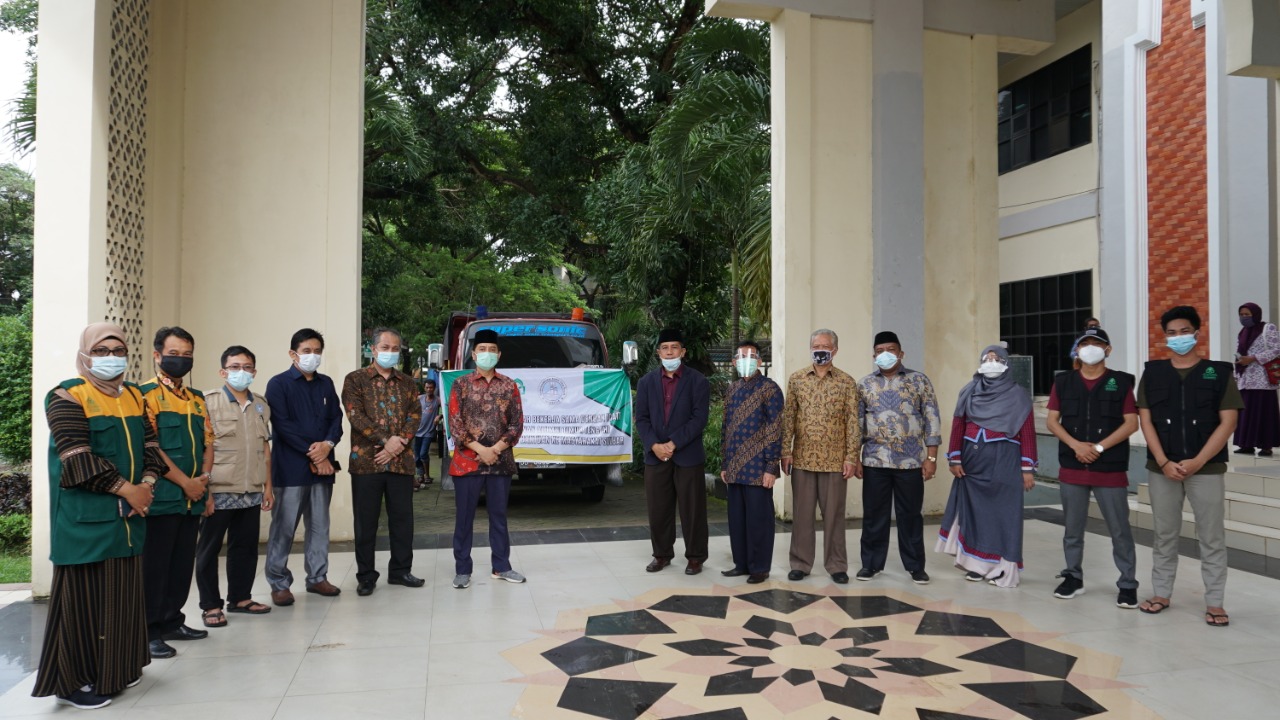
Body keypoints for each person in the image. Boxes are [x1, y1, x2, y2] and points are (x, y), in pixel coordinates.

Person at [33, 323, 166, 709]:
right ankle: (72, 684)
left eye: (119, 350)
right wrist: (131, 490)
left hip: (127, 517)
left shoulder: (135, 397)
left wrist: (147, 481)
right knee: (83, 603)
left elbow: (151, 445)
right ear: (86, 354)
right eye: (102, 351)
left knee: (122, 598)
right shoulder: (66, 396)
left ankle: (118, 669)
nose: (111, 358)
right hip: (85, 522)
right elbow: (76, 455)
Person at [1137, 306, 1242, 627]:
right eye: (1171, 333)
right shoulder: (1153, 373)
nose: (1178, 338)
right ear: (1164, 336)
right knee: (1164, 534)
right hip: (1162, 469)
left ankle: (1215, 602)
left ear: (1197, 333)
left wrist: (1198, 461)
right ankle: (1161, 593)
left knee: (1211, 536)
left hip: (1206, 469)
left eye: (1184, 331)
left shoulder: (1218, 373)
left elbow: (1228, 422)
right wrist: (1164, 461)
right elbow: (1146, 420)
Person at [1045, 327, 1140, 608]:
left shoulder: (1121, 382)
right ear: (1077, 350)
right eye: (1085, 343)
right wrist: (1076, 445)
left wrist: (1098, 447)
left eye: (1096, 344)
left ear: (1107, 350)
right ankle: (1073, 577)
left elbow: (1131, 423)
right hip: (1072, 466)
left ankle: (1127, 583)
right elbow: (1052, 421)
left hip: (1109, 468)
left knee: (1119, 529)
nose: (1090, 348)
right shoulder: (1063, 382)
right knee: (1072, 529)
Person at [138, 326, 213, 659]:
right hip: (164, 497)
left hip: (192, 499)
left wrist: (204, 483)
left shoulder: (196, 400)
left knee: (182, 564)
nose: (180, 360)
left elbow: (208, 443)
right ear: (157, 355)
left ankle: (172, 620)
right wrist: (186, 482)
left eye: (186, 355)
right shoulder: (144, 396)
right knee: (155, 566)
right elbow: (151, 448)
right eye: (173, 354)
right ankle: (149, 630)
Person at [936, 345, 1037, 588]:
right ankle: (975, 564)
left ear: (1006, 363)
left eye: (996, 358)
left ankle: (1004, 567)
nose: (991, 362)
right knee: (974, 514)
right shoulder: (969, 391)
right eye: (987, 358)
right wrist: (955, 458)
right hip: (972, 462)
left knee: (1004, 516)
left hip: (1006, 461)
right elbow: (958, 424)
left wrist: (1027, 468)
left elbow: (1027, 432)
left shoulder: (1018, 395)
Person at [195, 346, 275, 628]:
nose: (242, 372)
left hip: (251, 489)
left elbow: (265, 449)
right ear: (223, 371)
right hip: (218, 490)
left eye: (248, 367)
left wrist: (268, 486)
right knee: (208, 550)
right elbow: (202, 449)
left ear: (254, 371)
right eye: (235, 366)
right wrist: (204, 491)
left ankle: (240, 598)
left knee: (246, 548)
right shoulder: (207, 402)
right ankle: (210, 605)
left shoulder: (261, 404)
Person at [263, 328, 344, 606]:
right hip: (291, 469)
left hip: (323, 470)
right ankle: (279, 582)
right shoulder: (278, 384)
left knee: (320, 527)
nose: (313, 356)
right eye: (307, 351)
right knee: (284, 528)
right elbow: (283, 426)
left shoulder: (326, 383)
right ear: (293, 354)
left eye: (317, 351)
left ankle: (317, 578)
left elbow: (336, 418)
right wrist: (316, 454)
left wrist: (328, 445)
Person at [854, 331, 941, 585]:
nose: (885, 354)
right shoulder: (864, 385)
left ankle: (915, 566)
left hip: (911, 461)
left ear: (901, 353)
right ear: (873, 355)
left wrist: (931, 458)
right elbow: (857, 424)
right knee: (873, 515)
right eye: (880, 350)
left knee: (911, 515)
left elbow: (931, 418)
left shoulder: (919, 381)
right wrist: (855, 457)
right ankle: (871, 564)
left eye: (891, 349)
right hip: (874, 461)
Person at [342, 327, 424, 596]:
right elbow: (355, 415)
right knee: (366, 522)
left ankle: (401, 571)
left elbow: (415, 415)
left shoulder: (409, 383)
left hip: (401, 462)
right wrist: (385, 441)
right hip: (367, 463)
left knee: (403, 520)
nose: (390, 352)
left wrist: (396, 444)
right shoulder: (355, 380)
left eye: (395, 348)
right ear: (373, 349)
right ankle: (366, 575)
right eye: (385, 347)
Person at [781, 329, 861, 584]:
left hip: (835, 461)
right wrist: (785, 451)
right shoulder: (797, 379)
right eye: (816, 345)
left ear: (835, 350)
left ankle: (836, 564)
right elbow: (788, 418)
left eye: (825, 345)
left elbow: (852, 422)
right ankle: (800, 563)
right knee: (802, 515)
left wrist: (851, 457)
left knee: (834, 516)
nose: (820, 349)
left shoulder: (847, 382)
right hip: (803, 458)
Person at [448, 328, 526, 589]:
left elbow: (517, 424)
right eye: (482, 349)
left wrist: (497, 448)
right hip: (467, 462)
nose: (487, 354)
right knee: (464, 518)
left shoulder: (509, 385)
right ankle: (462, 569)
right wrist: (481, 450)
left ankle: (501, 566)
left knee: (499, 516)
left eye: (492, 350)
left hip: (500, 463)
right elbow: (455, 425)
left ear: (499, 354)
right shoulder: (460, 385)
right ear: (473, 354)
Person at [634, 328, 711, 574]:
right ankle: (662, 554)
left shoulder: (698, 381)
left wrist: (673, 443)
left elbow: (699, 419)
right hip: (656, 457)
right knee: (658, 509)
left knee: (693, 510)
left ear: (683, 352)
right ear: (658, 353)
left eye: (674, 347)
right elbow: (641, 419)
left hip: (687, 455)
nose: (670, 352)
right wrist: (655, 445)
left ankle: (696, 557)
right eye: (665, 348)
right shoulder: (646, 383)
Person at [719, 341, 783, 584]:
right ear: (735, 362)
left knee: (758, 521)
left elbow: (775, 430)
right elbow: (726, 428)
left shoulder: (770, 389)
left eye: (752, 356)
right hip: (734, 467)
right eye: (742, 356)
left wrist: (771, 467)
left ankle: (759, 568)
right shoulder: (732, 389)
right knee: (737, 519)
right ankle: (741, 564)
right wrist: (725, 464)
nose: (746, 359)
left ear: (759, 361)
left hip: (758, 468)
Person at [1233, 302, 1280, 457]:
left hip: (1263, 379)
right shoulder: (1242, 332)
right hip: (1245, 379)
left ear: (1256, 314)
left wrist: (1253, 358)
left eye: (1247, 314)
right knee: (1246, 412)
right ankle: (1246, 444)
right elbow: (1238, 353)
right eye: (1242, 314)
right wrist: (1237, 371)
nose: (1244, 317)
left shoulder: (1268, 328)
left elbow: (1276, 349)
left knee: (1263, 411)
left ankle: (1265, 446)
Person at [414, 380, 441, 488]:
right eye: (427, 387)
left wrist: (439, 416)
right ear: (424, 388)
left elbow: (446, 407)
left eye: (431, 388)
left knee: (423, 454)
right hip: (417, 432)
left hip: (429, 432)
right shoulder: (419, 398)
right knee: (417, 457)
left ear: (434, 388)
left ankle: (427, 475)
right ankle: (421, 475)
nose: (429, 389)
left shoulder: (437, 400)